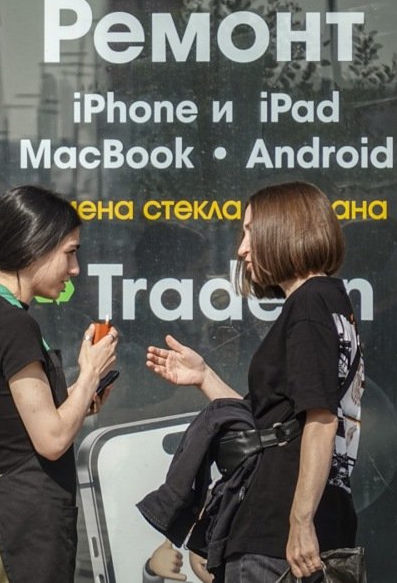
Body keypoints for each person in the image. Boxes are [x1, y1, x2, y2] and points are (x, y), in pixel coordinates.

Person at [145, 181, 364, 582]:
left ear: (284, 230)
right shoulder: (331, 301)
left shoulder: (310, 305)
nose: (242, 248)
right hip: (304, 527)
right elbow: (274, 423)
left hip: (275, 534)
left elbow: (321, 419)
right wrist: (204, 377)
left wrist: (299, 523)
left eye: (250, 232)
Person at [0, 185, 118, 583]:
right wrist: (90, 370)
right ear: (34, 246)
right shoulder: (15, 326)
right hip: (29, 529)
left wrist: (79, 399)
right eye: (70, 252)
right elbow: (52, 439)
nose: (75, 269)